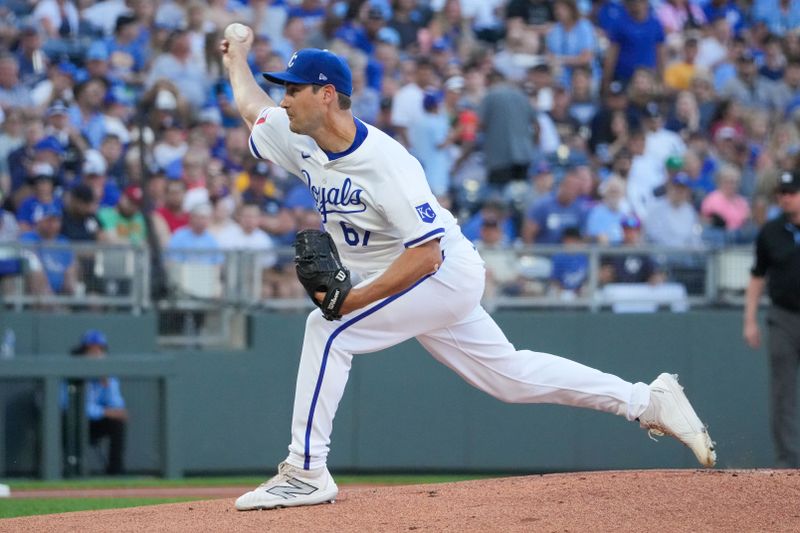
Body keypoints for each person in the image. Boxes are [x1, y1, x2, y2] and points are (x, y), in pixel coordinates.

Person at [220, 35, 716, 511]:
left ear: (326, 95)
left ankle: (306, 472)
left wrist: (353, 301)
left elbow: (426, 255)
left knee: (327, 330)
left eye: (293, 89)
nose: (283, 101)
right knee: (509, 376)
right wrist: (236, 54)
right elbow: (249, 104)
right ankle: (645, 400)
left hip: (440, 273)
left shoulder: (387, 162)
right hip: (417, 281)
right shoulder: (296, 136)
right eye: (283, 89)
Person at [743, 170, 800, 468]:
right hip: (784, 317)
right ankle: (788, 464)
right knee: (783, 394)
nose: (785, 198)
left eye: (791, 192)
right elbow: (756, 277)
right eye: (782, 193)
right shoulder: (771, 231)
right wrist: (749, 320)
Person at [65, 329, 128, 475]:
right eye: (91, 350)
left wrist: (107, 384)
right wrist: (104, 411)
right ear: (83, 352)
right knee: (65, 420)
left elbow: (118, 407)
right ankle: (69, 472)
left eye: (99, 350)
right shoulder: (71, 372)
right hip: (71, 423)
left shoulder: (107, 375)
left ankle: (115, 472)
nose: (96, 354)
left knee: (117, 423)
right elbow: (69, 406)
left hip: (95, 424)